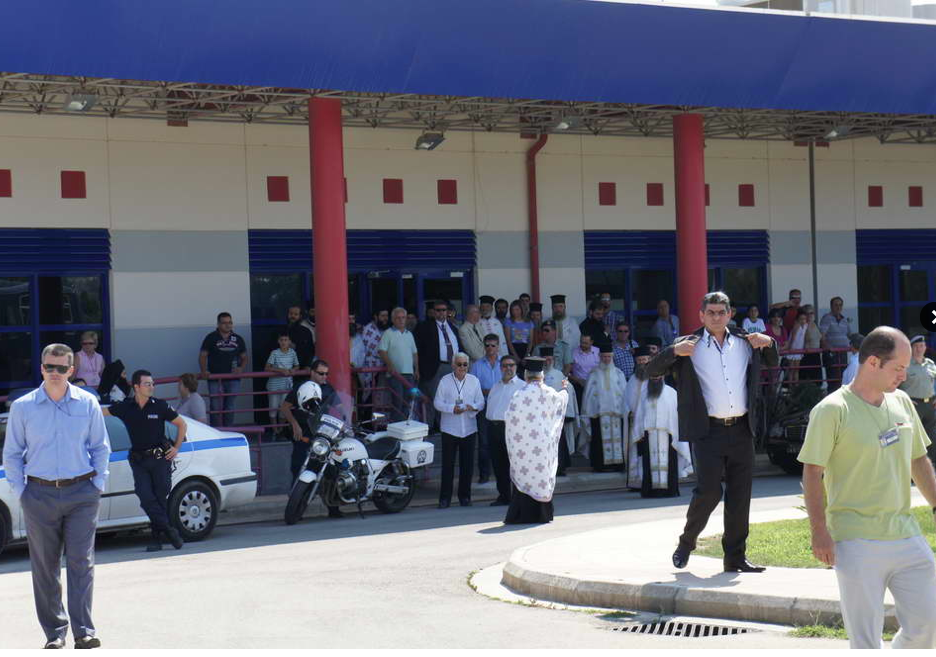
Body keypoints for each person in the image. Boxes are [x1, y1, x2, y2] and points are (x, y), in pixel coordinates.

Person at [798, 327, 936, 649]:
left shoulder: (902, 402)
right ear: (873, 362)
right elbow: (813, 473)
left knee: (929, 623)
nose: (904, 375)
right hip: (855, 540)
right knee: (866, 643)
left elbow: (918, 460)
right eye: (898, 368)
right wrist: (819, 531)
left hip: (905, 534)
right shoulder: (832, 410)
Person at [646, 291, 778, 573]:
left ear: (730, 315)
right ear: (701, 315)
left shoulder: (745, 341)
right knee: (708, 492)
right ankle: (687, 542)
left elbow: (772, 361)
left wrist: (769, 342)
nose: (716, 317)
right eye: (711, 313)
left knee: (740, 496)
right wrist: (673, 352)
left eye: (721, 312)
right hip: (708, 431)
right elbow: (651, 370)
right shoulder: (688, 344)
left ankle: (735, 557)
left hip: (742, 428)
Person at [3, 343, 110, 649]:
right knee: (45, 568)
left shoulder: (87, 403)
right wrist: (22, 492)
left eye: (61, 368)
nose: (55, 372)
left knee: (80, 562)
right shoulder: (23, 407)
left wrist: (97, 485)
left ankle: (83, 631)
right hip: (39, 494)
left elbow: (100, 447)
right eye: (49, 366)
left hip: (81, 493)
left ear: (71, 371)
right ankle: (54, 633)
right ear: (41, 368)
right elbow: (12, 454)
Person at [103, 369, 187, 552]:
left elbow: (182, 424)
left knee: (159, 498)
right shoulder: (126, 407)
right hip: (139, 460)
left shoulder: (160, 406)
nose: (151, 387)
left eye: (152, 384)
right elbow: (102, 412)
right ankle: (170, 531)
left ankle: (156, 539)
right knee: (145, 496)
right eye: (147, 384)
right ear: (136, 387)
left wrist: (176, 447)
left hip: (159, 458)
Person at [503, 357, 569, 524]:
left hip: (523, 446)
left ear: (526, 375)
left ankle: (521, 514)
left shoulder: (519, 394)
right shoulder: (549, 393)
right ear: (542, 375)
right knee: (541, 475)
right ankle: (542, 514)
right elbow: (561, 401)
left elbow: (509, 418)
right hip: (543, 445)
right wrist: (564, 389)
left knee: (524, 474)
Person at [281, 378, 344, 519]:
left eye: (326, 374)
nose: (324, 376)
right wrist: (295, 424)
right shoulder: (301, 387)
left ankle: (333, 507)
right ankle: (295, 504)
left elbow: (340, 407)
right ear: (313, 373)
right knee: (298, 467)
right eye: (321, 373)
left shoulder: (328, 389)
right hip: (303, 436)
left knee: (329, 468)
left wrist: (344, 421)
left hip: (322, 435)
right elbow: (284, 407)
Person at [434, 352, 485, 508]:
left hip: (469, 428)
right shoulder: (445, 381)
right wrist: (451, 408)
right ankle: (445, 499)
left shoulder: (474, 380)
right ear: (453, 365)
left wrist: (472, 407)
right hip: (450, 428)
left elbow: (481, 402)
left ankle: (465, 497)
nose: (462, 367)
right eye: (459, 364)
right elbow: (437, 403)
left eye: (465, 364)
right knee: (447, 466)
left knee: (467, 465)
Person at [632, 370, 692, 498]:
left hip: (668, 434)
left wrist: (676, 432)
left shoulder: (671, 393)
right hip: (649, 435)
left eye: (658, 375)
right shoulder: (643, 394)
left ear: (663, 376)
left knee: (669, 463)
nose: (655, 378)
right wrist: (639, 433)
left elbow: (676, 416)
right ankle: (650, 491)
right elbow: (639, 415)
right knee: (648, 464)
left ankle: (670, 490)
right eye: (653, 376)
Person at [582, 343, 629, 472]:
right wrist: (588, 411)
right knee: (598, 440)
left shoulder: (619, 373)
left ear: (612, 357)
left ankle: (618, 465)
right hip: (598, 414)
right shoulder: (593, 374)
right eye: (604, 357)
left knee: (618, 439)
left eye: (609, 357)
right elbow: (588, 396)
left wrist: (626, 410)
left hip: (617, 414)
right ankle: (600, 466)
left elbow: (625, 393)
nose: (606, 359)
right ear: (600, 357)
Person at [416, 300, 463, 429]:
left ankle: (446, 427)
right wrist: (419, 369)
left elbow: (459, 347)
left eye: (443, 310)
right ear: (433, 312)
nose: (441, 313)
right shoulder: (424, 327)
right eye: (438, 310)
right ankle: (430, 429)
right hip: (434, 368)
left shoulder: (453, 327)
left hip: (452, 367)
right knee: (434, 399)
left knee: (451, 398)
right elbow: (418, 349)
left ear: (447, 312)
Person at [485, 355, 524, 505]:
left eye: (511, 365)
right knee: (498, 464)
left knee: (513, 465)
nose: (508, 368)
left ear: (516, 367)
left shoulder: (522, 386)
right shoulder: (496, 386)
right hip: (493, 428)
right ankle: (504, 496)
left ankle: (517, 497)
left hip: (511, 429)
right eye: (505, 365)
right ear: (500, 368)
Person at [199, 312, 249, 427]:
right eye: (224, 323)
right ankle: (216, 431)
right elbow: (202, 356)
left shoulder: (238, 339)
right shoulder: (211, 337)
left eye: (230, 322)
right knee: (215, 406)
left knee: (230, 406)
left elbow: (245, 357)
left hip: (233, 379)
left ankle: (228, 431)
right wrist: (203, 371)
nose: (228, 325)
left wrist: (241, 368)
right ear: (218, 324)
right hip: (214, 378)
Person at [469, 334, 502, 484]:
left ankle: (503, 472)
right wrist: (487, 391)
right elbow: (472, 388)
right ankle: (484, 474)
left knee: (503, 441)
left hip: (501, 407)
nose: (490, 348)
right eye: (487, 345)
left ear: (498, 346)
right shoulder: (477, 365)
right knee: (483, 442)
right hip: (484, 406)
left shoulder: (505, 364)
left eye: (493, 345)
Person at [378, 307, 420, 422]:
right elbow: (382, 351)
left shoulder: (409, 334)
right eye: (398, 318)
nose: (401, 320)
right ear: (393, 319)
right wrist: (390, 365)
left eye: (403, 317)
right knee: (398, 402)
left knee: (407, 402)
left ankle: (404, 426)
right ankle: (396, 427)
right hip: (395, 374)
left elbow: (414, 353)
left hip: (409, 374)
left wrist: (417, 370)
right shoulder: (388, 333)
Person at [901, 335, 936, 462]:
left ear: (925, 347)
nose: (919, 349)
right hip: (914, 404)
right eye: (916, 346)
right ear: (911, 348)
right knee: (914, 436)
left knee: (931, 436)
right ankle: (913, 467)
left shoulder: (930, 364)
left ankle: (932, 465)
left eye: (921, 346)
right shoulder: (906, 365)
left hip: (930, 405)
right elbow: (896, 384)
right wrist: (906, 399)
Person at [542, 346, 577, 476]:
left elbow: (567, 389)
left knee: (558, 443)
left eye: (549, 359)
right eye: (545, 359)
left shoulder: (559, 374)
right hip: (541, 416)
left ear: (553, 360)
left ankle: (560, 467)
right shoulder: (537, 375)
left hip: (556, 415)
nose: (547, 361)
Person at [624, 346, 654, 489]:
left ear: (649, 360)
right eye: (640, 360)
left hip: (650, 420)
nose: (642, 362)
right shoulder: (632, 379)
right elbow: (626, 400)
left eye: (644, 360)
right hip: (635, 420)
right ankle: (636, 482)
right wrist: (629, 412)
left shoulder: (655, 377)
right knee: (636, 452)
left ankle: (649, 480)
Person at [265, 331, 299, 431]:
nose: (284, 342)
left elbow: (297, 365)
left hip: (287, 386)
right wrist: (281, 370)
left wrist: (294, 369)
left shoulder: (293, 353)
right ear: (278, 341)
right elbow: (267, 368)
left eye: (286, 340)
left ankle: (280, 430)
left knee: (284, 409)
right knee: (273, 409)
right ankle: (274, 431)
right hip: (274, 386)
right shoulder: (274, 353)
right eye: (281, 340)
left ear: (289, 341)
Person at [820, 296, 853, 393]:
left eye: (840, 305)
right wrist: (828, 347)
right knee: (833, 380)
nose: (838, 307)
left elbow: (850, 335)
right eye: (836, 305)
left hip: (843, 354)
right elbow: (822, 335)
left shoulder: (844, 320)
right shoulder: (827, 318)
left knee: (843, 379)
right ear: (831, 306)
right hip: (832, 354)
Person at [360, 309, 389, 417]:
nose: (385, 319)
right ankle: (367, 422)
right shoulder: (369, 330)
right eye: (382, 316)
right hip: (371, 369)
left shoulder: (387, 330)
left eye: (386, 316)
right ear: (376, 317)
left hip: (383, 370)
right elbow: (374, 351)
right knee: (369, 399)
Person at [569, 333, 599, 411]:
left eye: (586, 343)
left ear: (591, 342)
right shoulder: (574, 353)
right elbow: (567, 372)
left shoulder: (597, 352)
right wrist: (578, 380)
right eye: (581, 342)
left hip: (595, 386)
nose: (583, 345)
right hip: (579, 385)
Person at [503, 299, 534, 367]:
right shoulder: (508, 322)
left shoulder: (529, 323)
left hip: (525, 348)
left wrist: (526, 356)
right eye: (513, 310)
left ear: (522, 310)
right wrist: (515, 356)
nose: (514, 312)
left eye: (517, 310)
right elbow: (508, 340)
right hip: (513, 348)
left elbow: (530, 341)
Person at [286, 305, 315, 369]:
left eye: (296, 314)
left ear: (300, 316)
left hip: (301, 368)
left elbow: (310, 351)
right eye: (291, 314)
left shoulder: (306, 331)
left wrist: (308, 365)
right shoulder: (280, 331)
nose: (293, 316)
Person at [786, 309, 809, 385]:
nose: (803, 321)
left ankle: (796, 385)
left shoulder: (806, 326)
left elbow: (805, 337)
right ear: (797, 319)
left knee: (796, 369)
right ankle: (790, 386)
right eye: (801, 319)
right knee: (791, 370)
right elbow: (793, 337)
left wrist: (805, 346)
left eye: (804, 319)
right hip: (793, 349)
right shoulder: (796, 326)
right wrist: (790, 347)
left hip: (799, 349)